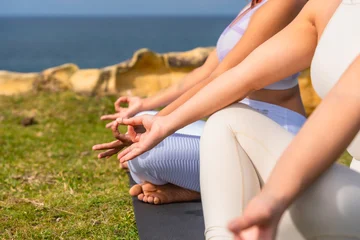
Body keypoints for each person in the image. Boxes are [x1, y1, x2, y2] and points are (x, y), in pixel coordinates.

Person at [115, 0, 360, 238]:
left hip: (299, 150)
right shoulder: (326, 5)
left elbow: (345, 101)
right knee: (225, 121)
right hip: (348, 186)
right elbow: (243, 76)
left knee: (157, 152)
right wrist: (161, 123)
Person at [93, 0, 308, 204]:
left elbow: (222, 76)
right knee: (139, 139)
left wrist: (156, 124)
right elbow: (204, 72)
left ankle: (209, 188)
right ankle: (203, 184)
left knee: (147, 155)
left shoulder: (283, 4)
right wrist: (145, 107)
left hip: (272, 137)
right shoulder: (253, 6)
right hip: (233, 130)